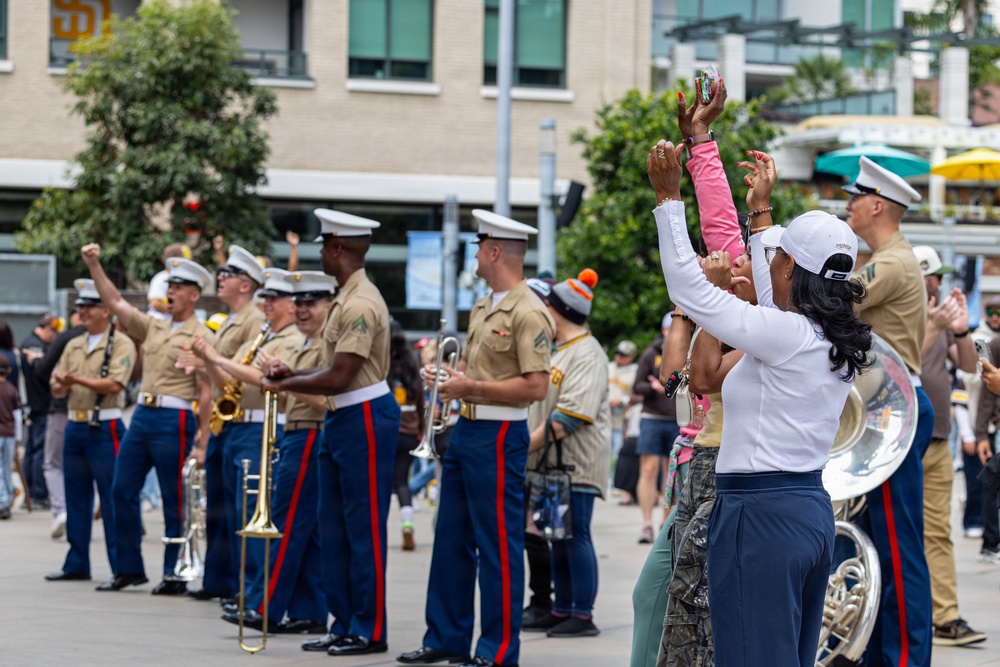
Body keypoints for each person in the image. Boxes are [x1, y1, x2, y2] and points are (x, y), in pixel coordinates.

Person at [649, 141, 873, 667]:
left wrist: (667, 200)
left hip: (760, 514)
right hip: (807, 510)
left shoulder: (788, 334)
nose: (770, 264)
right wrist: (760, 210)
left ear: (790, 266)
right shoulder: (825, 334)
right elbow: (779, 292)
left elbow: (688, 285)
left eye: (778, 258)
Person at [398, 210, 553, 667]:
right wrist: (448, 376)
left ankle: (497, 651)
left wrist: (471, 387)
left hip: (501, 431)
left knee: (498, 544)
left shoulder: (528, 310)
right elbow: (475, 372)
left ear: (494, 252)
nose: (475, 257)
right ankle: (446, 638)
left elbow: (536, 386)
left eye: (478, 248)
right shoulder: (486, 305)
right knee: (450, 537)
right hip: (467, 428)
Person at [262, 209, 401, 657]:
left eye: (324, 246)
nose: (320, 252)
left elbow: (341, 375)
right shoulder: (346, 298)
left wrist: (285, 383)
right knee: (334, 527)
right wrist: (293, 373)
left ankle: (369, 628)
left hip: (362, 414)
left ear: (338, 249)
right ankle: (343, 623)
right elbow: (328, 369)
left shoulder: (360, 303)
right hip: (342, 417)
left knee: (363, 528)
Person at [842, 156, 936, 666]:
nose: (848, 205)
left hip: (893, 412)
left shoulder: (893, 262)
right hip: (879, 411)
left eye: (854, 198)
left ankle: (905, 659)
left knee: (898, 553)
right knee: (876, 548)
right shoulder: (885, 258)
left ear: (877, 204)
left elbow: (830, 303)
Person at [81, 244, 214, 594]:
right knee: (120, 489)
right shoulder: (155, 327)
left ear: (195, 295)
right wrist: (94, 263)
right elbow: (115, 302)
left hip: (176, 417)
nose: (170, 292)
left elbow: (206, 391)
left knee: (176, 499)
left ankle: (175, 572)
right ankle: (128, 568)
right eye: (169, 286)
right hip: (142, 415)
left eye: (179, 287)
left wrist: (203, 440)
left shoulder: (202, 335)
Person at [223, 270, 336, 634]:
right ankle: (310, 612)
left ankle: (264, 607)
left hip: (310, 435)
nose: (303, 311)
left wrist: (281, 382)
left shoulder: (323, 345)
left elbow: (325, 401)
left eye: (310, 304)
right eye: (299, 303)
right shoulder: (306, 343)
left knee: (285, 526)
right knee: (307, 532)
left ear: (329, 305)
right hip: (297, 433)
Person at [190, 267, 304, 611]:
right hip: (239, 424)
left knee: (252, 513)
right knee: (236, 514)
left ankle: (254, 593)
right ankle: (242, 589)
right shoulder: (265, 336)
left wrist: (216, 358)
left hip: (261, 427)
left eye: (274, 298)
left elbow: (259, 379)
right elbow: (229, 384)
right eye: (265, 297)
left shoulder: (289, 338)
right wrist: (208, 363)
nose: (266, 303)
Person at [522, 269, 610, 639]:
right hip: (550, 464)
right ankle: (561, 609)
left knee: (575, 536)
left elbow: (570, 416)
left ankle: (582, 613)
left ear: (557, 310)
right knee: (554, 535)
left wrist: (520, 449)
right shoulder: (561, 349)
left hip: (576, 463)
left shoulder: (587, 352)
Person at [910, 245, 987, 646]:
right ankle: (906, 612)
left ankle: (946, 615)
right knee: (900, 528)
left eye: (939, 276)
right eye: (933, 275)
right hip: (903, 440)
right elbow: (906, 361)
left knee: (938, 530)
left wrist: (958, 327)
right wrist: (937, 325)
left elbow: (971, 366)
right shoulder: (902, 314)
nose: (939, 282)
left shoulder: (939, 314)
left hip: (938, 436)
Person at [44, 280, 137, 583]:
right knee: (76, 498)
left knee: (111, 498)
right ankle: (76, 562)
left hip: (105, 423)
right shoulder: (74, 343)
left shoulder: (120, 343)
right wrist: (65, 382)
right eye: (80, 306)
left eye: (89, 306)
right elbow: (56, 387)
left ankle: (122, 567)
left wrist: (75, 381)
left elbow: (115, 384)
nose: (81, 311)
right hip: (75, 423)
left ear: (106, 310)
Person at [189, 244, 266, 603]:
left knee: (240, 510)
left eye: (228, 275)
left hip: (247, 421)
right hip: (227, 422)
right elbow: (220, 377)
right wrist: (202, 363)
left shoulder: (253, 319)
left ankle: (241, 587)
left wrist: (207, 360)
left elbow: (235, 378)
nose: (220, 279)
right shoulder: (230, 319)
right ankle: (218, 581)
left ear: (246, 285)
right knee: (219, 507)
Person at [33, 309, 85, 539]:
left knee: (53, 463)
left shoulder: (67, 338)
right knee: (86, 466)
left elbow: (45, 371)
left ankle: (61, 510)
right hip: (94, 412)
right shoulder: (113, 336)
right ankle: (93, 505)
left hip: (63, 409)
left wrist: (38, 361)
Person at [632, 315, 679, 543]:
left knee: (671, 474)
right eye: (670, 328)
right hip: (652, 418)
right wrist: (652, 387)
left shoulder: (686, 352)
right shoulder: (651, 354)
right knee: (649, 470)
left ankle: (665, 521)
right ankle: (646, 524)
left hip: (676, 420)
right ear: (663, 329)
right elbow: (637, 385)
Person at [388, 320, 424, 551]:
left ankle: (377, 525)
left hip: (389, 429)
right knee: (402, 482)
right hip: (411, 430)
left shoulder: (385, 363)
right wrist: (421, 427)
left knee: (383, 480)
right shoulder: (412, 363)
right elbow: (420, 396)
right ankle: (407, 523)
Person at [19, 314, 61, 508]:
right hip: (41, 404)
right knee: (39, 451)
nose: (55, 338)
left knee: (32, 449)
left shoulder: (31, 343)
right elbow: (42, 373)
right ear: (47, 329)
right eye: (55, 333)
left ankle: (30, 489)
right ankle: (38, 492)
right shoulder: (35, 346)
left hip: (35, 405)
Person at [608, 340, 638, 499]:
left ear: (631, 357)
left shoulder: (635, 371)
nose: (618, 356)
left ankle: (614, 483)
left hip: (622, 419)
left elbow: (637, 394)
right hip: (604, 416)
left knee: (617, 451)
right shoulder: (608, 367)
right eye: (617, 353)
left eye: (623, 355)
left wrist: (623, 401)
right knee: (604, 451)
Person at [0, 355, 22, 520]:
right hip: (9, 433)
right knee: (6, 468)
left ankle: (3, 501)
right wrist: (18, 438)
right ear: (9, 371)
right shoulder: (11, 389)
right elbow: (17, 416)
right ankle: (7, 496)